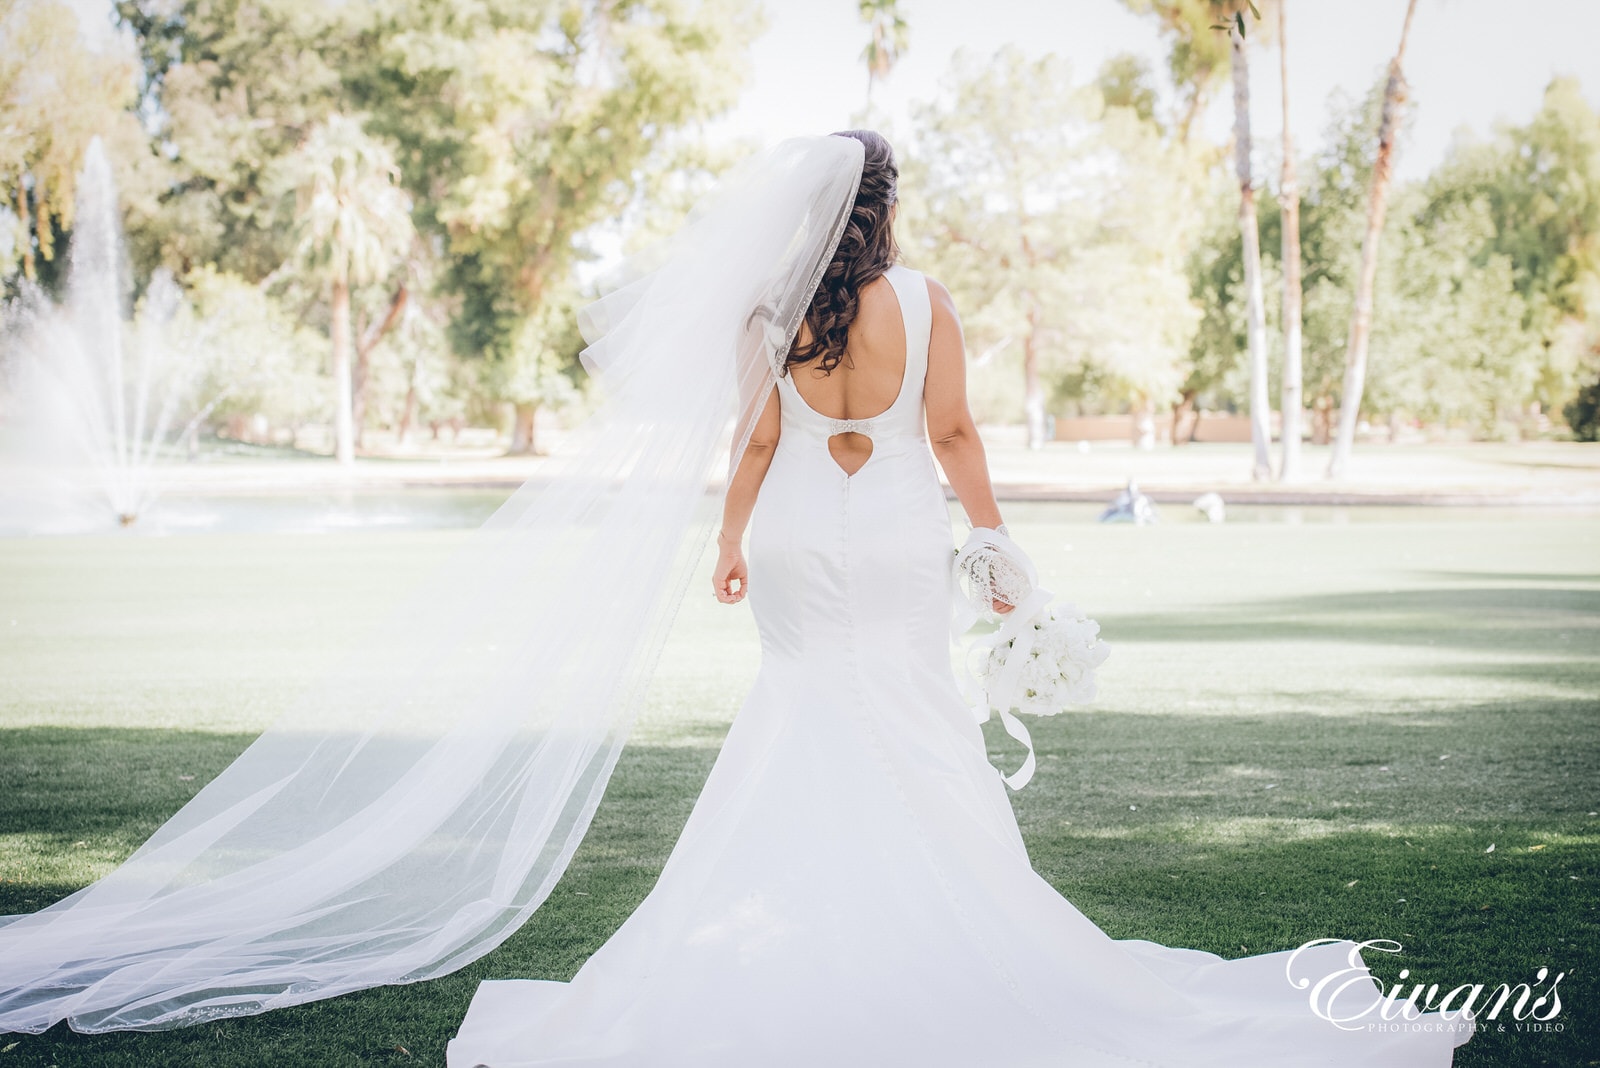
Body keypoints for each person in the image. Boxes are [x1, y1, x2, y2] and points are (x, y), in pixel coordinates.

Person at [443, 131, 1474, 1066]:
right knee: (912, 714)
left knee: (796, 704)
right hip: (895, 535)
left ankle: (803, 938)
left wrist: (727, 539)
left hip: (795, 533)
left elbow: (755, 439)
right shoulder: (928, 303)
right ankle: (939, 928)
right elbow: (953, 437)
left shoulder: (767, 312)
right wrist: (993, 537)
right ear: (886, 207)